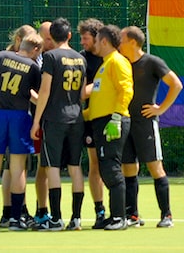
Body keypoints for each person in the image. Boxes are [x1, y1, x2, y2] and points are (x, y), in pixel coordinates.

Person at [0, 33, 43, 231]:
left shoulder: (0, 57)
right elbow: (37, 96)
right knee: (17, 169)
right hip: (19, 117)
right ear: (36, 50)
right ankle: (15, 219)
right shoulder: (32, 67)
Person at [119, 26, 183, 228]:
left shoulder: (152, 62)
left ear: (132, 42)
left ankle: (167, 215)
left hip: (146, 124)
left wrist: (160, 109)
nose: (118, 43)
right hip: (125, 122)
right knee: (128, 168)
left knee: (155, 168)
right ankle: (133, 216)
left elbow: (176, 84)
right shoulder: (121, 63)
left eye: (121, 39)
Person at [31, 18, 87, 231]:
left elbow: (44, 91)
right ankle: (77, 218)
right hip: (76, 118)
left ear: (51, 38)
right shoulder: (80, 58)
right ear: (70, 35)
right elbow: (82, 93)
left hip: (54, 119)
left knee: (52, 167)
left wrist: (36, 121)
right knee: (75, 167)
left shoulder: (51, 56)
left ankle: (56, 218)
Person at [86, 24, 134, 230]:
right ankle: (115, 216)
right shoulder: (105, 64)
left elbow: (126, 89)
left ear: (104, 41)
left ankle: (119, 218)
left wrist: (116, 118)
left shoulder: (117, 61)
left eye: (96, 41)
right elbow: (99, 99)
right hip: (101, 122)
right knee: (106, 169)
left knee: (112, 169)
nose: (94, 44)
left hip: (112, 122)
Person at [0, 24, 37, 228]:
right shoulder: (13, 58)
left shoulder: (10, 56)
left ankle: (12, 212)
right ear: (19, 40)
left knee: (14, 167)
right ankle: (15, 211)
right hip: (15, 118)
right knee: (15, 167)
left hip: (14, 117)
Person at [77, 18, 107, 229]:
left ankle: (128, 210)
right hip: (90, 120)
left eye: (85, 38)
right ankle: (100, 211)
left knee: (119, 164)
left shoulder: (111, 57)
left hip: (113, 118)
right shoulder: (80, 60)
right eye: (81, 38)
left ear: (97, 38)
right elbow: (81, 92)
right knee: (94, 163)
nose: (83, 42)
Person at [31, 20, 55, 226]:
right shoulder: (32, 60)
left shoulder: (64, 56)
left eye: (52, 37)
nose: (50, 41)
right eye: (47, 38)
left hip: (61, 120)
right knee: (43, 166)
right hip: (39, 120)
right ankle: (42, 210)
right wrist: (40, 103)